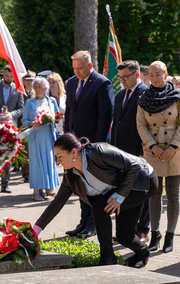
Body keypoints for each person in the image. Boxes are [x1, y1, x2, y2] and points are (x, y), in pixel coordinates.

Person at [33, 133, 158, 267]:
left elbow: (134, 166)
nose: (57, 161)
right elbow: (57, 203)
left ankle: (108, 259)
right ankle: (143, 253)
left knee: (100, 207)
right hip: (124, 186)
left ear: (74, 152)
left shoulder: (99, 151)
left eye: (60, 156)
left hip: (143, 181)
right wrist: (35, 230)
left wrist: (120, 196)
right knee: (124, 237)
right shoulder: (70, 176)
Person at [137, 61, 180, 253]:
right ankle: (156, 234)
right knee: (154, 194)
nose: (155, 78)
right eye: (151, 75)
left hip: (174, 151)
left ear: (166, 74)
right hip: (153, 152)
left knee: (174, 195)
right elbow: (141, 125)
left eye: (158, 74)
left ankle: (170, 236)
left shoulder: (179, 96)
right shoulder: (144, 98)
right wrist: (152, 146)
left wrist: (173, 146)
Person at [64, 50, 114, 238]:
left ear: (90, 66)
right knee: (80, 185)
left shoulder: (102, 83)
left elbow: (105, 116)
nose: (77, 72)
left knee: (93, 187)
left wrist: (97, 145)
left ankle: (92, 224)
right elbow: (69, 112)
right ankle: (83, 222)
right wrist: (67, 139)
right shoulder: (70, 83)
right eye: (74, 68)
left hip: (93, 144)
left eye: (81, 68)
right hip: (75, 145)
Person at [111, 60, 149, 243]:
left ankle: (142, 229)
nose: (122, 81)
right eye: (120, 78)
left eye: (125, 77)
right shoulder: (119, 96)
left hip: (139, 151)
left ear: (136, 74)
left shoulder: (146, 94)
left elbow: (148, 125)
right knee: (122, 189)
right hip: (121, 152)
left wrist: (143, 149)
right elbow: (117, 124)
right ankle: (124, 230)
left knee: (141, 191)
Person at [22, 77, 60, 201]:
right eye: (36, 86)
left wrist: (55, 118)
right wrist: (32, 123)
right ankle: (36, 191)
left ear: (45, 88)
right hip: (35, 136)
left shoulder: (52, 101)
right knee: (36, 163)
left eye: (40, 86)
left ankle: (45, 188)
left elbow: (57, 116)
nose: (37, 88)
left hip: (48, 136)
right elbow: (24, 120)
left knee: (48, 161)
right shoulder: (30, 102)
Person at [0, 65, 24, 193]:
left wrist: (10, 114)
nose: (8, 78)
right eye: (6, 76)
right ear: (2, 74)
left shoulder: (18, 89)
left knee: (8, 154)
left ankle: (5, 185)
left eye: (11, 77)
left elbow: (21, 108)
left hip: (10, 127)